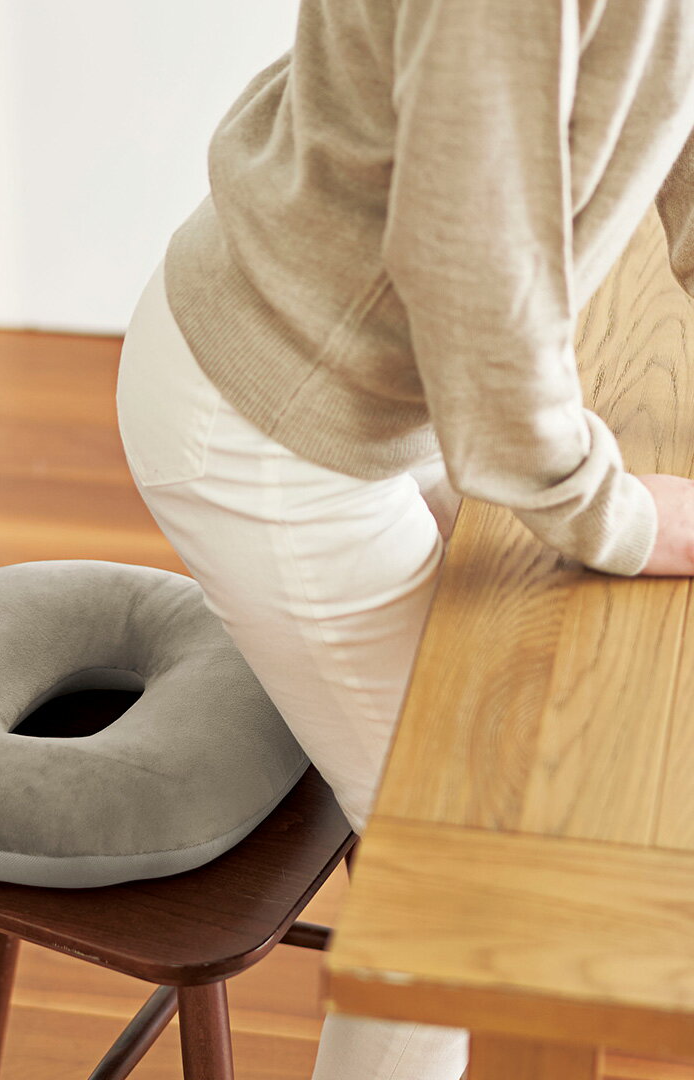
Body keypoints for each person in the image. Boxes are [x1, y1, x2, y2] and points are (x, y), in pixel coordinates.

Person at [115, 0, 694, 1077]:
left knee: (538, 747)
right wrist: (615, 513)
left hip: (359, 375)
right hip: (273, 424)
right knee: (466, 882)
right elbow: (470, 280)